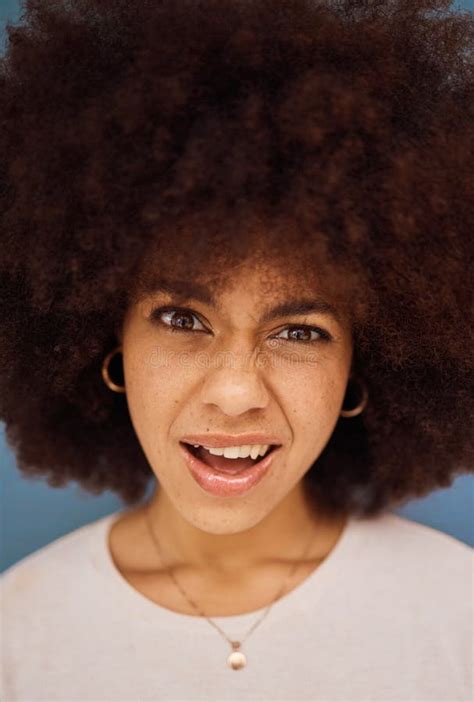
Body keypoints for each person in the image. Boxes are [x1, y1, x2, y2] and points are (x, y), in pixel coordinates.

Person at [0, 0, 472, 700]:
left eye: (300, 332)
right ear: (108, 340)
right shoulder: (18, 634)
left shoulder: (457, 614)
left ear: (361, 368)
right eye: (182, 319)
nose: (235, 391)